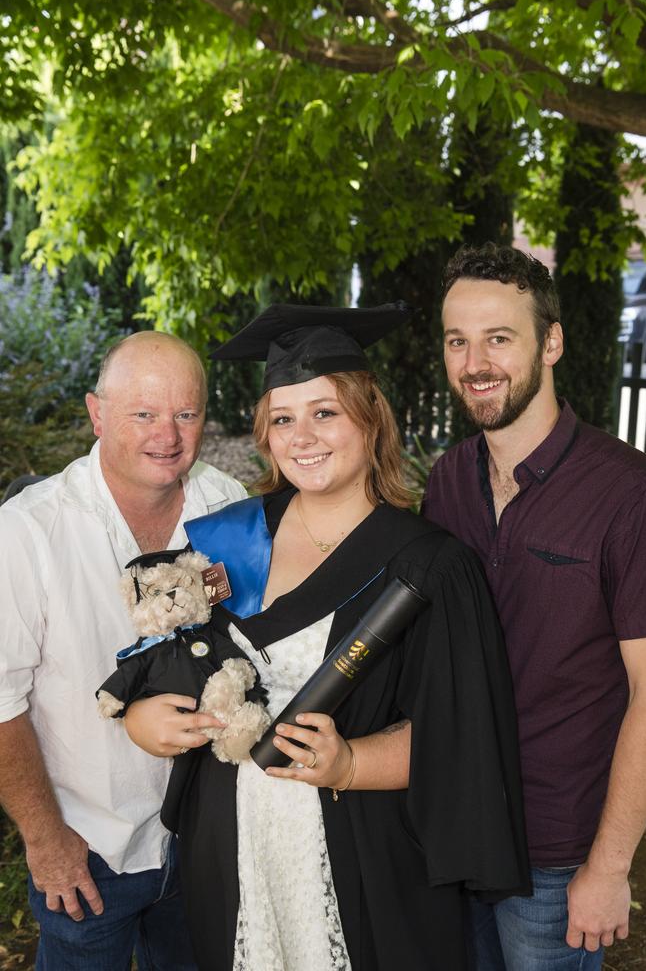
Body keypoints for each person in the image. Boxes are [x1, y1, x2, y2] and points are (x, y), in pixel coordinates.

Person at [125, 303, 531, 971]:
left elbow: (462, 739)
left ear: (371, 419)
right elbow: (179, 658)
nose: (302, 436)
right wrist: (145, 714)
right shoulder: (229, 544)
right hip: (231, 851)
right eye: (283, 418)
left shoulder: (430, 567)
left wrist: (349, 763)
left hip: (366, 856)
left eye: (325, 412)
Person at [422, 243, 646, 971]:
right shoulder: (448, 480)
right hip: (457, 832)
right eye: (458, 340)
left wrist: (609, 868)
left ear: (551, 342)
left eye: (499, 338)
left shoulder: (627, 493)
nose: (475, 362)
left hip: (557, 854)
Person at [0, 331, 247, 970]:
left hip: (204, 839)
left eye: (185, 414)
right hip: (89, 849)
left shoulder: (229, 508)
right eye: (143, 413)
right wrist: (45, 838)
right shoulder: (29, 531)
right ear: (97, 413)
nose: (166, 434)